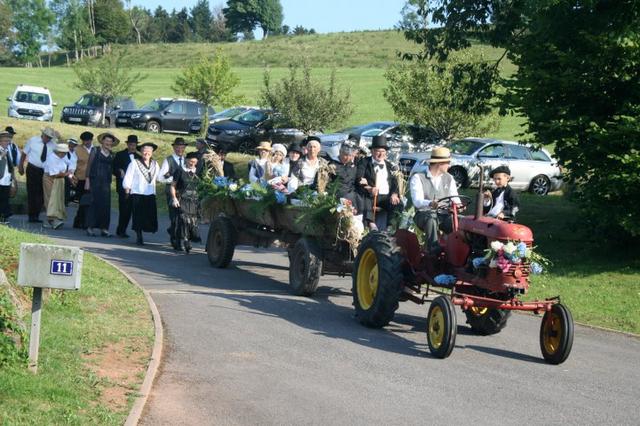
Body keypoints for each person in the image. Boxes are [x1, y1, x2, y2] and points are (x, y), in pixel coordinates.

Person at [409, 146, 461, 253]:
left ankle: (456, 250)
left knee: (460, 221)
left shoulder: (449, 178)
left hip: (444, 214)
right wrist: (430, 203)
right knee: (431, 219)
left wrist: (459, 205)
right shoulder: (418, 177)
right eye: (447, 163)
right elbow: (417, 202)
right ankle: (432, 250)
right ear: (439, 164)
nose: (449, 165)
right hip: (423, 214)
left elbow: (455, 197)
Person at [356, 135, 401, 230]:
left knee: (398, 203)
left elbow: (395, 183)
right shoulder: (364, 162)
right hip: (371, 196)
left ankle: (390, 227)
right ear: (372, 151)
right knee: (366, 199)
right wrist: (369, 188)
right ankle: (371, 224)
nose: (381, 154)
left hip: (386, 197)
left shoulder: (389, 165)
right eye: (378, 151)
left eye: (383, 152)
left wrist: (394, 194)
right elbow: (359, 179)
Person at [123, 142, 161, 246]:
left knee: (149, 215)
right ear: (141, 151)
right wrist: (127, 189)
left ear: (152, 153)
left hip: (150, 193)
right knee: (138, 216)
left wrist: (169, 177)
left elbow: (159, 177)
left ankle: (148, 229)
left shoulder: (155, 164)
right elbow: (128, 177)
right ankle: (139, 236)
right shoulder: (134, 163)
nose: (146, 153)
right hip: (138, 193)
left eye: (149, 151)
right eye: (144, 151)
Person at [19, 127, 57, 223]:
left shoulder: (53, 145)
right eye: (46, 136)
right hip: (32, 169)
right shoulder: (33, 140)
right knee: (32, 192)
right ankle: (31, 215)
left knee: (41, 193)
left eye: (50, 138)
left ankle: (36, 215)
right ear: (43, 134)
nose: (47, 139)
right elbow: (24, 153)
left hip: (44, 171)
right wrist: (21, 166)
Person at [85, 132, 118, 237]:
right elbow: (89, 165)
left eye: (110, 141)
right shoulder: (95, 150)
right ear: (102, 141)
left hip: (106, 183)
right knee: (94, 203)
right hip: (95, 180)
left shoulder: (112, 154)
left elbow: (114, 169)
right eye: (106, 141)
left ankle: (104, 228)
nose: (108, 143)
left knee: (105, 205)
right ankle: (90, 227)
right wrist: (87, 180)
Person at [169, 152, 201, 253]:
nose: (192, 164)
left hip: (194, 201)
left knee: (192, 222)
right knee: (183, 220)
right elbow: (173, 186)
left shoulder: (199, 172)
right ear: (186, 160)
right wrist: (174, 198)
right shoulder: (179, 171)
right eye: (191, 161)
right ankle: (183, 241)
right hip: (181, 199)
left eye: (195, 162)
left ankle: (188, 240)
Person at [160, 137, 187, 246]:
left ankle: (175, 233)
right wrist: (173, 179)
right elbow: (160, 177)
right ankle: (176, 240)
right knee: (174, 216)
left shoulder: (187, 160)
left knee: (183, 216)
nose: (180, 149)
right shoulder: (169, 160)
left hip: (184, 192)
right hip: (171, 191)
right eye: (177, 147)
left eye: (182, 147)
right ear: (174, 148)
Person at [113, 135, 141, 238]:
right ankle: (120, 230)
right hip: (123, 187)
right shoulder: (120, 155)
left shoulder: (139, 157)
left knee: (133, 210)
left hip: (135, 188)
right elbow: (114, 168)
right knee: (124, 209)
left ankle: (130, 231)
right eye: (130, 145)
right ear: (127, 144)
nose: (132, 147)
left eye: (134, 145)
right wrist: (119, 171)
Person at [44, 143, 73, 230]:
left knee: (58, 198)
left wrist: (70, 171)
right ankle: (51, 219)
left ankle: (57, 217)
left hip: (60, 179)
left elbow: (70, 163)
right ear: (58, 151)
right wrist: (67, 174)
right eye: (62, 152)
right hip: (50, 179)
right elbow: (55, 174)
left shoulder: (63, 157)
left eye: (65, 153)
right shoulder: (51, 158)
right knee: (50, 198)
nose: (64, 154)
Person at [330, 141, 362, 214]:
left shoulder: (352, 166)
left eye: (350, 156)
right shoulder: (332, 165)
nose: (348, 158)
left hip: (352, 194)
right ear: (340, 152)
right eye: (345, 155)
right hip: (338, 194)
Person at [72, 131, 94, 229]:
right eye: (85, 141)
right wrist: (72, 176)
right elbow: (73, 164)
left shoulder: (95, 149)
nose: (86, 142)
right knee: (82, 201)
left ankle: (85, 221)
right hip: (81, 178)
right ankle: (79, 221)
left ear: (91, 140)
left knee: (89, 202)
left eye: (88, 140)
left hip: (92, 179)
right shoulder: (77, 149)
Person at [0, 131, 16, 224]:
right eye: (5, 141)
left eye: (8, 141)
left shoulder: (6, 151)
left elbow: (10, 166)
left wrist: (13, 178)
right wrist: (1, 156)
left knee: (5, 198)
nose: (7, 143)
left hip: (6, 179)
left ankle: (3, 217)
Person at [64, 138, 79, 206]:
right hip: (67, 172)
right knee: (66, 186)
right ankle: (65, 201)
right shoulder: (65, 153)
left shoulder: (75, 153)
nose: (72, 146)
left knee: (73, 185)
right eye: (71, 144)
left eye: (74, 145)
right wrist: (69, 175)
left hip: (74, 172)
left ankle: (70, 200)